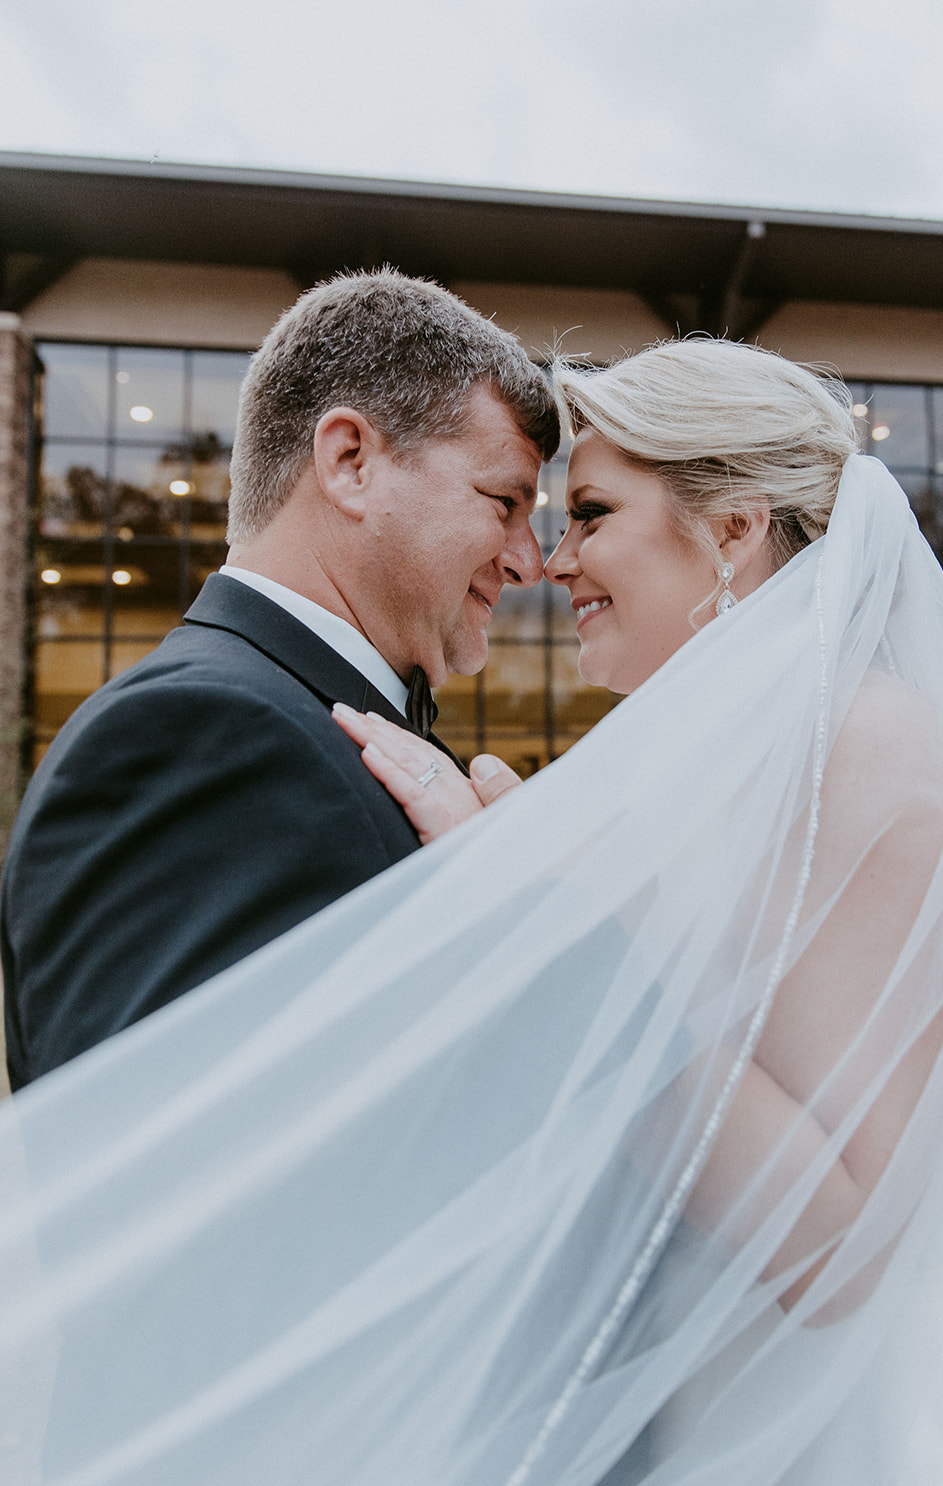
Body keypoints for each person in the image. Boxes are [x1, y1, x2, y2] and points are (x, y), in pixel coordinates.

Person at [1, 337, 943, 1486]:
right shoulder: (693, 759)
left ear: (728, 533)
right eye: (520, 509)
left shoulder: (877, 751)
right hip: (679, 1428)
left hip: (861, 1444)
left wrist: (530, 922)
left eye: (586, 515)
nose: (547, 558)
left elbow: (839, 1240)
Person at [0, 269, 558, 1088]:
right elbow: (154, 1170)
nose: (527, 561)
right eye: (504, 500)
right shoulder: (199, 735)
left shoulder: (313, 719)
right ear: (349, 461)